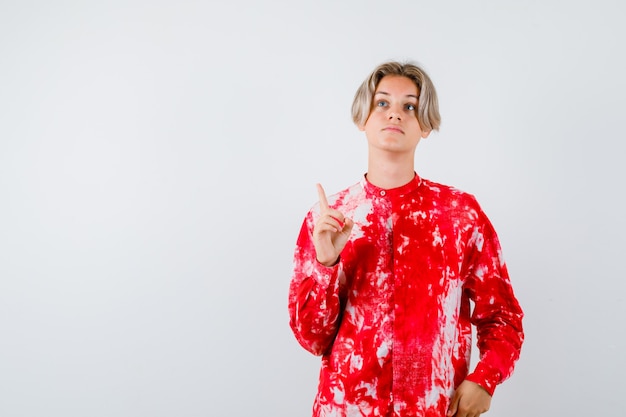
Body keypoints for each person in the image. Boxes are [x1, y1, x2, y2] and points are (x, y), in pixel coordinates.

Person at [288, 60, 524, 417]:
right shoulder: (328, 219)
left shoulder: (459, 214)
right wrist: (325, 265)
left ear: (425, 125)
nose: (394, 114)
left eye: (409, 106)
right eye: (382, 103)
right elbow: (312, 339)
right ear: (362, 118)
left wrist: (484, 380)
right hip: (348, 407)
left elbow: (502, 315)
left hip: (434, 408)